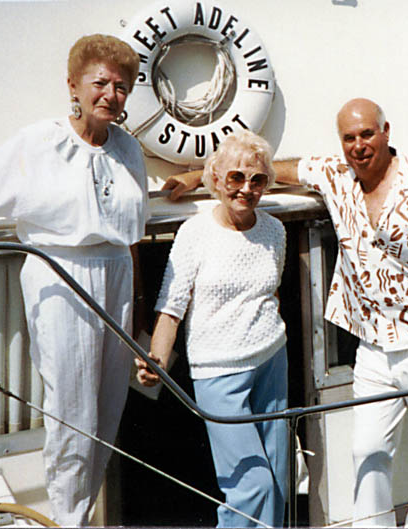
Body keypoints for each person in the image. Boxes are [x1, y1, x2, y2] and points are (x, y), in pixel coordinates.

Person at [164, 98, 408, 528]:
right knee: (368, 450)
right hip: (373, 343)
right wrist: (197, 176)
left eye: (367, 134)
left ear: (386, 132)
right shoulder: (336, 177)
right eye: (349, 138)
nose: (359, 145)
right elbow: (278, 169)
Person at [0, 34, 147, 526]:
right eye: (100, 83)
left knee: (107, 410)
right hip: (60, 274)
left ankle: (78, 513)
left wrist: (137, 316)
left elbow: (132, 240)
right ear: (73, 85)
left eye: (122, 86)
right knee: (72, 409)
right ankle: (67, 517)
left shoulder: (128, 150)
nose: (110, 95)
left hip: (117, 274)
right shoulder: (40, 141)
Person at [138, 131, 288, 529]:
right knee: (250, 484)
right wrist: (157, 359)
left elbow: (269, 293)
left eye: (256, 180)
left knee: (277, 480)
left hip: (272, 359)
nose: (246, 189)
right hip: (218, 371)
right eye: (236, 178)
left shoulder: (275, 230)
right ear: (217, 178)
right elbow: (171, 308)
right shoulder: (195, 233)